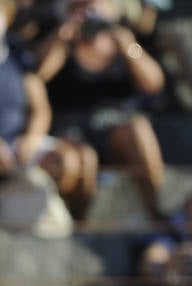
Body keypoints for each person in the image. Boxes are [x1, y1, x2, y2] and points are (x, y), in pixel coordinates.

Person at [35, 0, 166, 219]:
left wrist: (129, 48)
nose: (90, 12)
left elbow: (154, 84)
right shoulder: (59, 36)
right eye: (82, 6)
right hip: (68, 129)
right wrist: (61, 38)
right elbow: (36, 75)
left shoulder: (124, 41)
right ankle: (81, 223)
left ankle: (155, 214)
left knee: (139, 128)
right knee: (84, 157)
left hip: (111, 129)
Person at [0, 0, 96, 222]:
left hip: (19, 143)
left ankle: (78, 228)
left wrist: (31, 138)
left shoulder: (15, 51)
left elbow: (40, 107)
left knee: (72, 161)